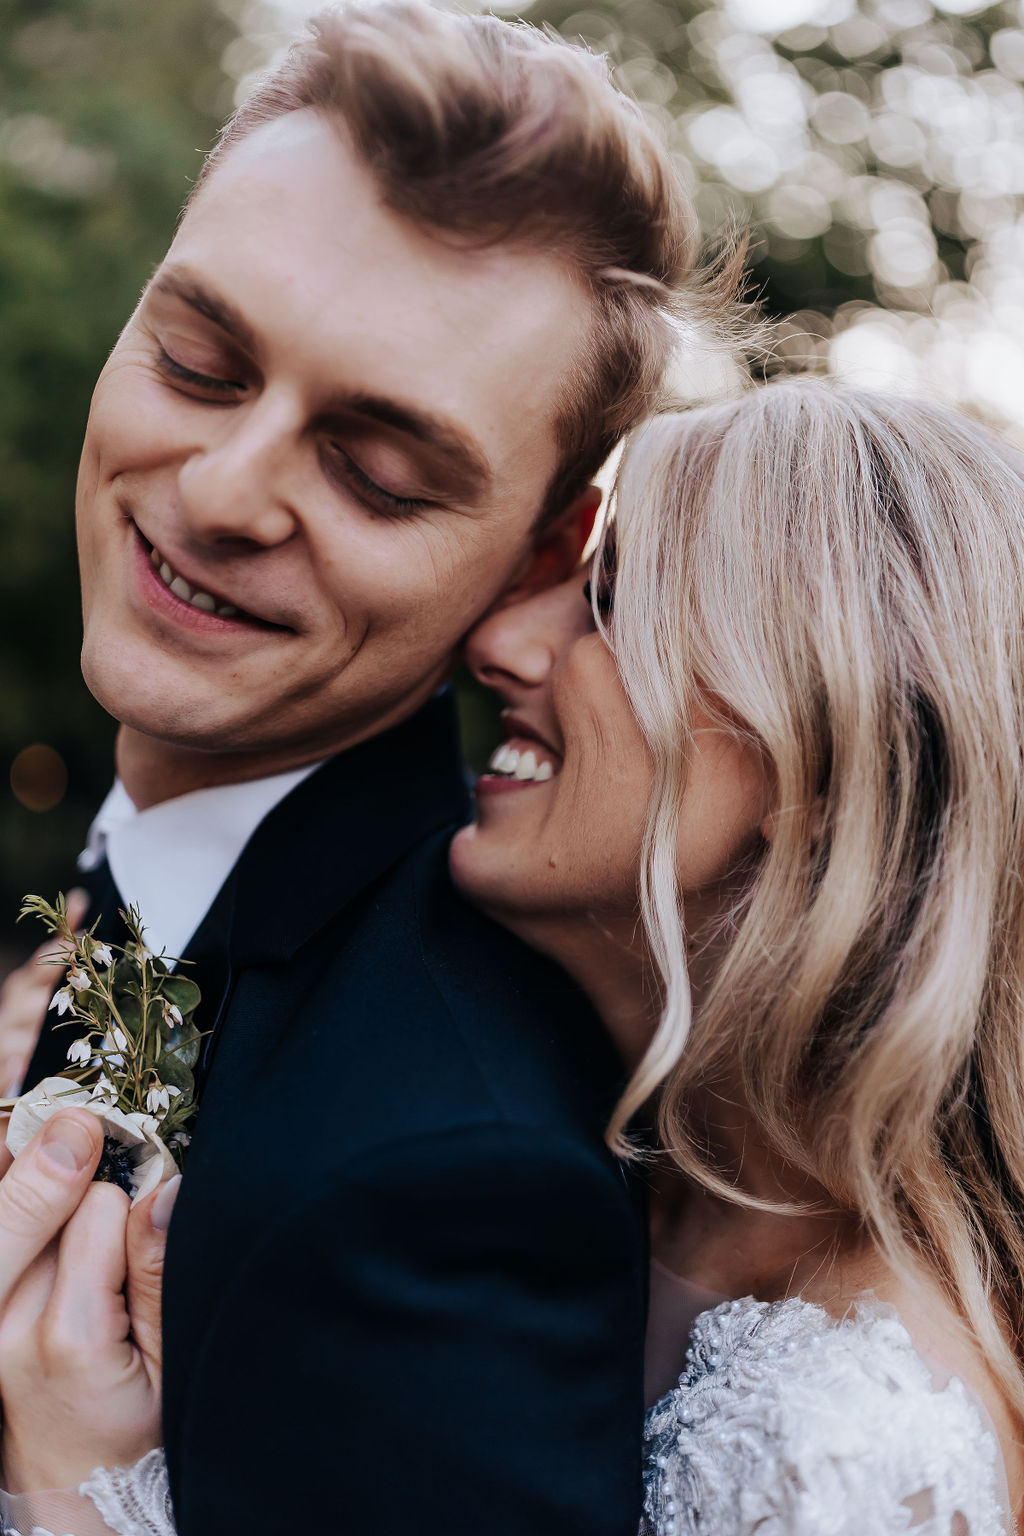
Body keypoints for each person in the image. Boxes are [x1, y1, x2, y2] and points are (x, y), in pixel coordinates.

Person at [0, 3, 731, 1530]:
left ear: (543, 552)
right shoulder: (137, 890)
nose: (218, 491)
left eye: (378, 473)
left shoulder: (448, 1187)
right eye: (197, 359)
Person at [451, 377, 1024, 1532]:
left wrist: (74, 1482)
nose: (498, 641)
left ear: (817, 769)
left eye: (608, 605)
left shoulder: (853, 1455)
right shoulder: (569, 1159)